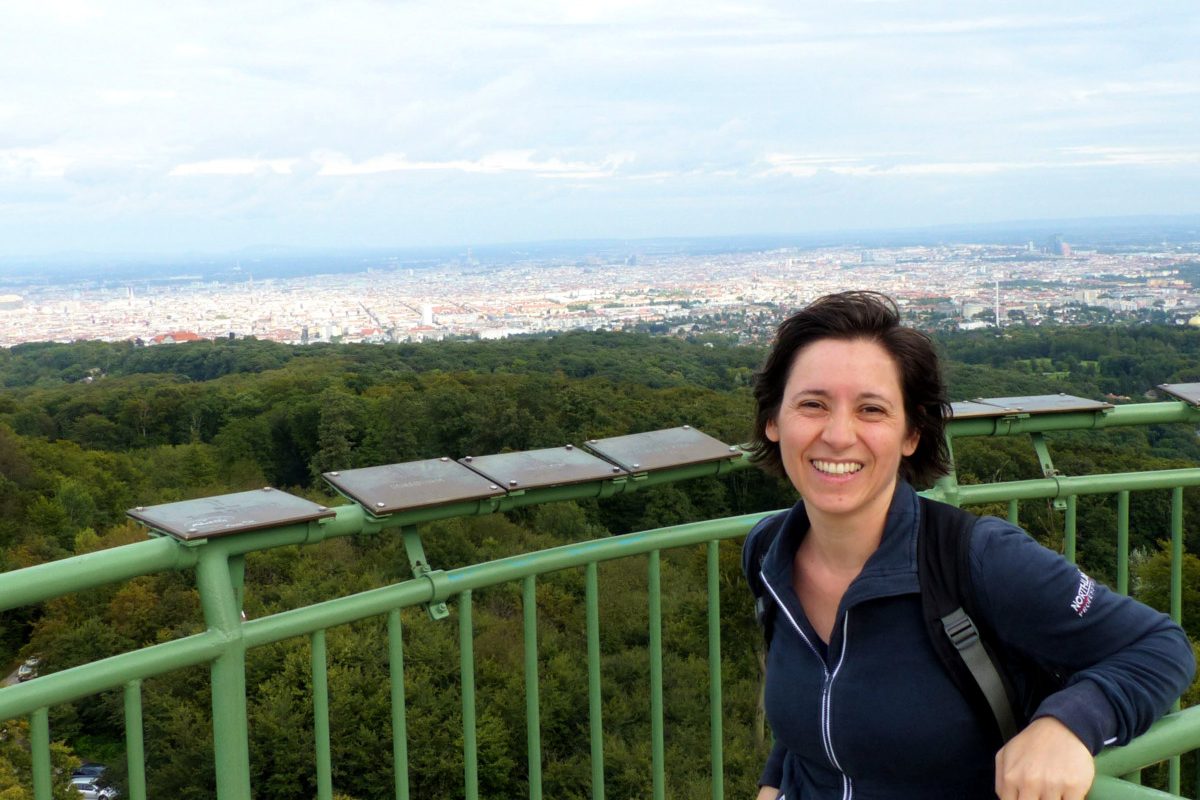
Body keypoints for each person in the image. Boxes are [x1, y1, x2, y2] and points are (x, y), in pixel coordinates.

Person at [744, 291, 1194, 800]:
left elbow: (1158, 646)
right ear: (774, 420)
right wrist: (775, 782)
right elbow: (817, 710)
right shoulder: (769, 553)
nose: (839, 435)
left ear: (911, 434)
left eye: (871, 409)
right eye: (812, 404)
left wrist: (1068, 723)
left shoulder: (976, 559)